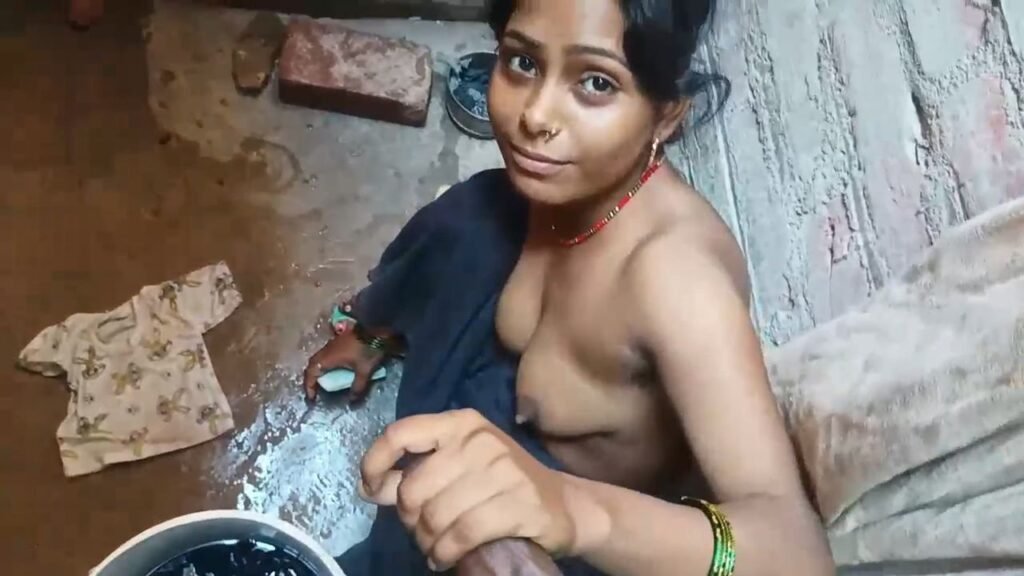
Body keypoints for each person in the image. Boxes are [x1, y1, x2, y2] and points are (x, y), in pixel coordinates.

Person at [304, 1, 836, 575]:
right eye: (523, 62)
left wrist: (573, 511)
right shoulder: (546, 188)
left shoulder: (675, 281)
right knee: (470, 220)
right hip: (492, 412)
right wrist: (373, 332)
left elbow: (795, 554)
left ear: (666, 117)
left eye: (597, 82)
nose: (535, 115)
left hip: (578, 524)